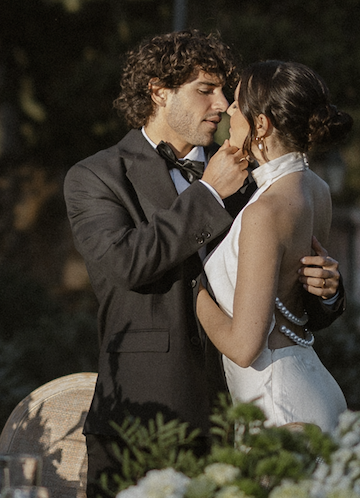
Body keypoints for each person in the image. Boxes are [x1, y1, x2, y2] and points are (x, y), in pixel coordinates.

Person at [65, 32, 343, 435]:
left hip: (241, 409)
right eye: (205, 90)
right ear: (159, 93)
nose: (222, 105)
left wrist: (327, 289)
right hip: (148, 410)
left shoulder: (255, 174)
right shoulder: (97, 176)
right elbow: (125, 263)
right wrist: (208, 194)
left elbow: (285, 299)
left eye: (226, 92)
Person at [197, 59, 353, 429]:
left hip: (276, 401)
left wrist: (190, 290)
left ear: (261, 125)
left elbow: (245, 346)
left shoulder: (264, 212)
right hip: (315, 385)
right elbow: (295, 294)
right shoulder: (319, 191)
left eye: (236, 104)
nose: (228, 111)